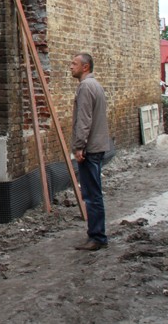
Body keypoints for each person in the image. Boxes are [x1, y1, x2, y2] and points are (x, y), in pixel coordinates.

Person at [69, 53, 111, 251]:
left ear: (85, 67)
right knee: (94, 193)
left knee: (91, 195)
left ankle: (97, 237)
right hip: (97, 146)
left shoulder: (86, 87)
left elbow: (84, 120)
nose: (71, 67)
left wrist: (79, 146)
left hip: (90, 149)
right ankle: (97, 234)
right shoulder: (96, 85)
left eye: (74, 64)